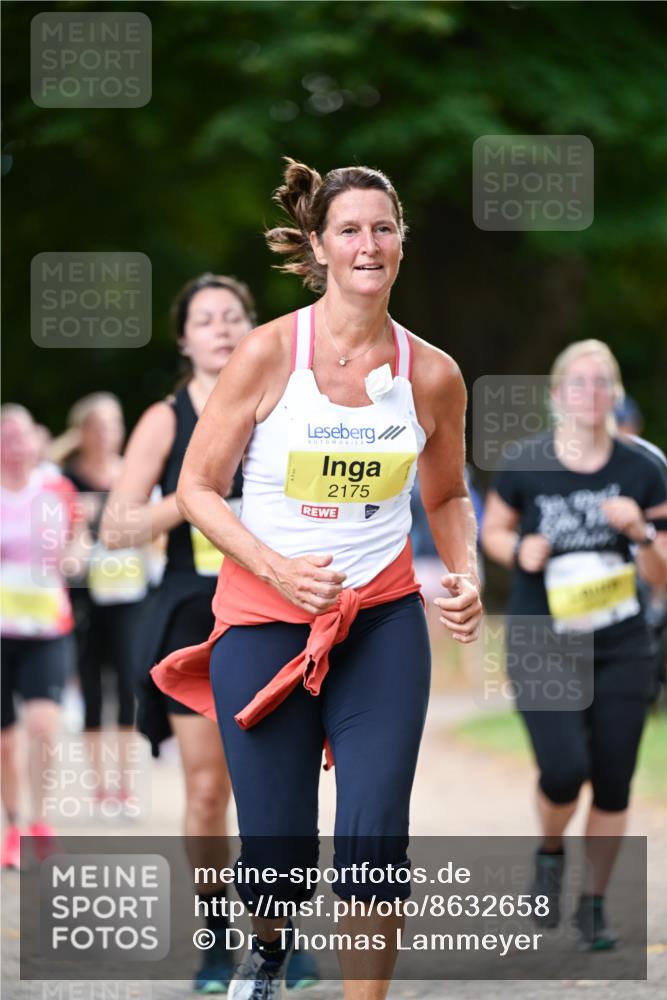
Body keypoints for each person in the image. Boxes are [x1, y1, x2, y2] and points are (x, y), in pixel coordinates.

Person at [151, 159, 483, 1000]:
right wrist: (273, 567)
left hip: (380, 620)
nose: (367, 244)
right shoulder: (268, 355)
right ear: (319, 246)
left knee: (375, 836)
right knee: (278, 844)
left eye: (382, 227)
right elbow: (196, 487)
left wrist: (465, 571)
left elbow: (445, 495)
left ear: (400, 242)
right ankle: (266, 952)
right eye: (349, 229)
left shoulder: (432, 373)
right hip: (263, 623)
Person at [481, 340, 667, 950]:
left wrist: (641, 532)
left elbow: (663, 574)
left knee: (613, 780)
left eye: (603, 383)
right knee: (563, 771)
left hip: (621, 642)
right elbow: (493, 532)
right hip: (543, 639)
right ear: (557, 395)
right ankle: (550, 851)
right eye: (579, 384)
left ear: (614, 395)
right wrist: (518, 551)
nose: (592, 394)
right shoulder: (525, 462)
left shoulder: (644, 467)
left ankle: (592, 903)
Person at [101, 274, 255, 992]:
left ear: (251, 327)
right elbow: (117, 527)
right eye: (205, 319)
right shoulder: (166, 417)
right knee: (205, 789)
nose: (220, 328)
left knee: (272, 783)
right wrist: (193, 502)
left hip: (274, 606)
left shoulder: (281, 405)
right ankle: (216, 938)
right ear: (184, 338)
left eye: (233, 316)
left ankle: (278, 927)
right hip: (192, 613)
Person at [1, 405, 85, 867]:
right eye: (5, 439)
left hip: (48, 628)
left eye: (21, 438)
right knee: (6, 740)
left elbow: (81, 534)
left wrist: (75, 555)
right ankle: (12, 827)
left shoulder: (57, 488)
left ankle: (40, 822)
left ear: (36, 442)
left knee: (42, 727)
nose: (15, 448)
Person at [54, 393, 147, 813]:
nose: (109, 433)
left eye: (115, 424)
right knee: (92, 688)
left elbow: (153, 530)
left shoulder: (136, 474)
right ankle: (100, 791)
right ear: (85, 431)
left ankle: (127, 789)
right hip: (84, 597)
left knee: (128, 688)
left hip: (130, 595)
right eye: (100, 425)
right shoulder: (65, 479)